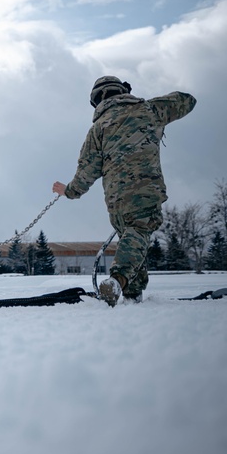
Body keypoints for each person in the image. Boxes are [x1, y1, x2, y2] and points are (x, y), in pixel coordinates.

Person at [53, 76, 196, 306]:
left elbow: (86, 173)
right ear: (122, 91)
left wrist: (68, 191)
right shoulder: (148, 109)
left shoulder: (98, 129)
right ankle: (117, 281)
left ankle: (132, 296)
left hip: (115, 199)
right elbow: (187, 100)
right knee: (138, 232)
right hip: (145, 189)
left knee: (132, 239)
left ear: (97, 101)